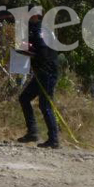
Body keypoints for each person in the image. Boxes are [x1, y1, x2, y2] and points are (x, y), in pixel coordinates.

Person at [16, 9, 61, 149]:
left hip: (47, 72)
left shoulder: (40, 30)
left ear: (34, 15)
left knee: (45, 105)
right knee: (24, 98)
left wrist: (25, 51)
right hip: (42, 72)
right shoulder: (37, 28)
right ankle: (33, 132)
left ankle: (54, 139)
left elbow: (42, 53)